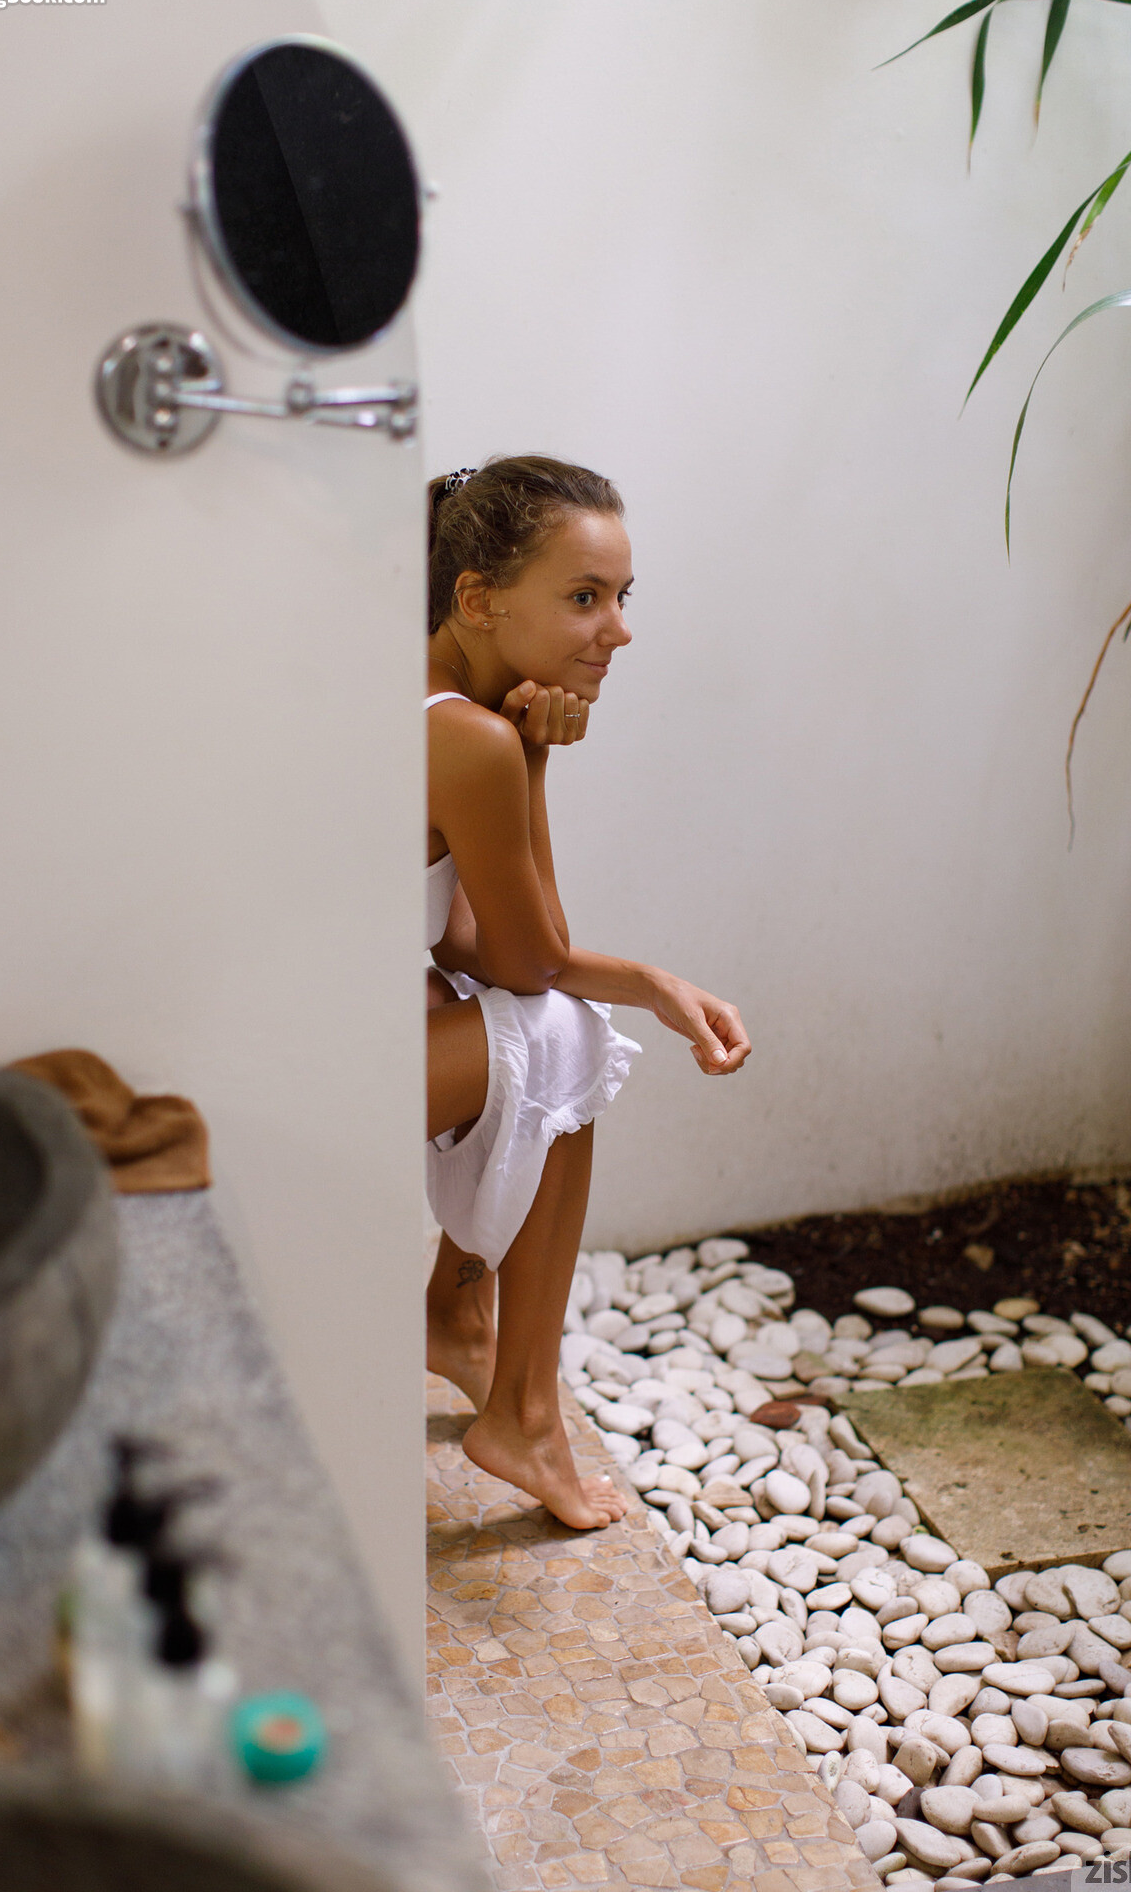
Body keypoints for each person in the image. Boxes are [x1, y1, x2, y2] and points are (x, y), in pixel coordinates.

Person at [425, 455, 750, 1529]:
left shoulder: (418, 695)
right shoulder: (470, 738)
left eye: (620, 596)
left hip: (304, 1030)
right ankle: (520, 1409)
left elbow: (468, 942)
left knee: (536, 1017)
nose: (617, 631)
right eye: (582, 598)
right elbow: (531, 965)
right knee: (564, 1034)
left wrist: (651, 984)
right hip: (303, 1064)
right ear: (478, 599)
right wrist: (532, 760)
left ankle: (454, 1318)